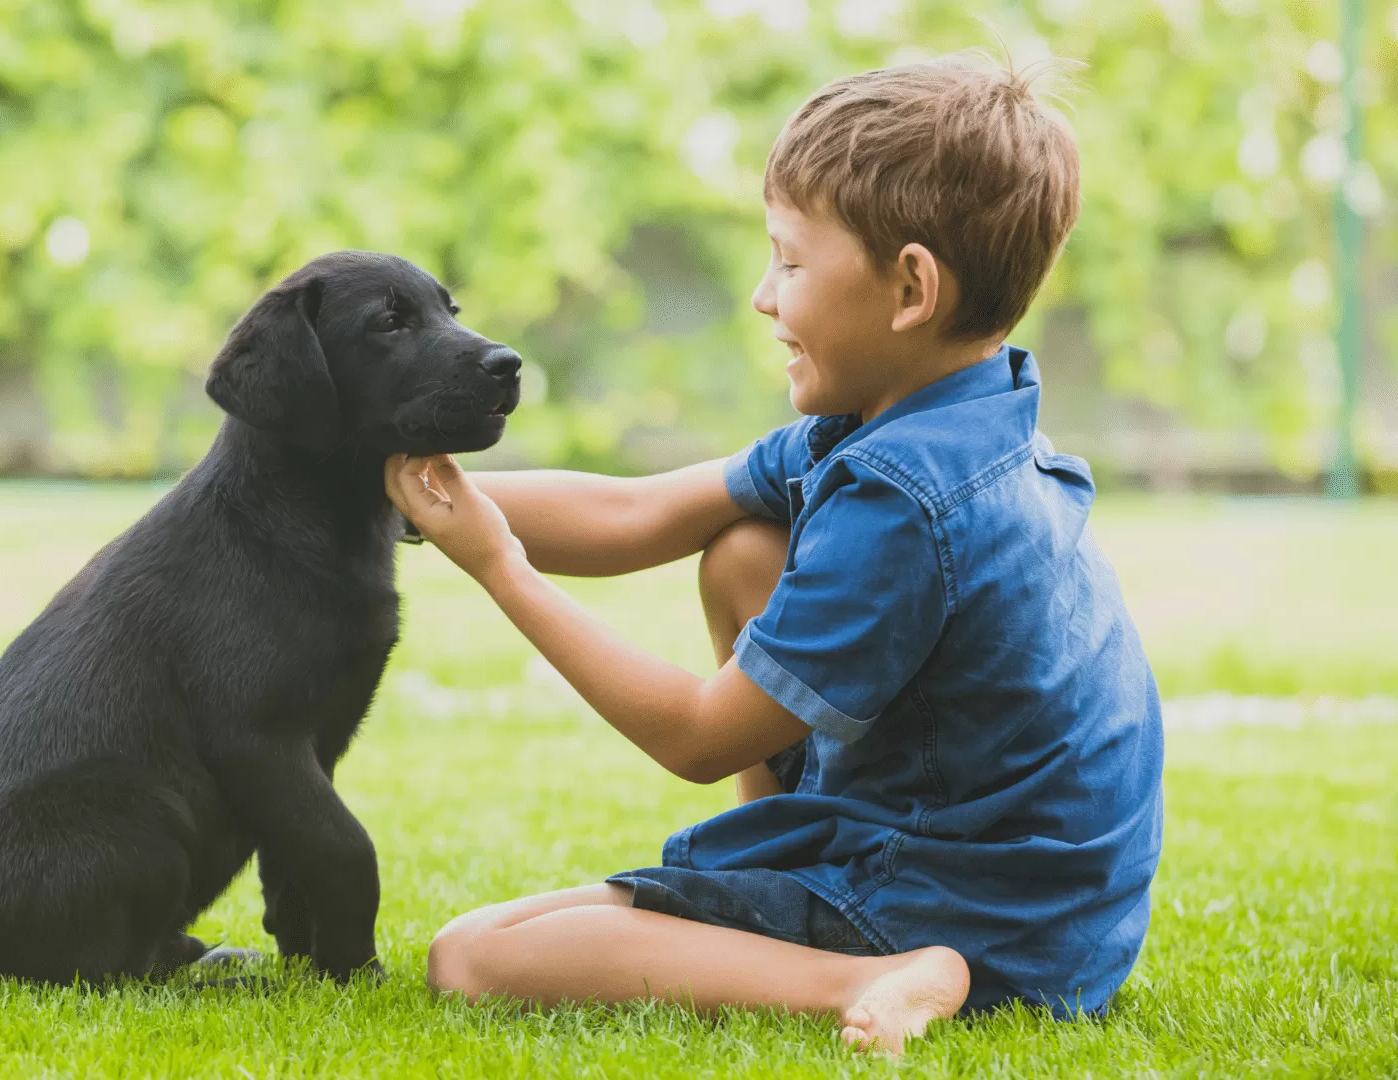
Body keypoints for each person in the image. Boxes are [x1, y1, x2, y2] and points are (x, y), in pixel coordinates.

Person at [384, 55, 1164, 1055]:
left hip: (974, 916)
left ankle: (872, 973)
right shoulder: (939, 417)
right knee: (746, 549)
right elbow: (638, 513)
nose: (762, 297)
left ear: (912, 287)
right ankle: (787, 896)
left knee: (474, 956)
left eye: (790, 264)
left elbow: (701, 740)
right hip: (1058, 917)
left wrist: (498, 565)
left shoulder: (900, 499)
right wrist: (394, 497)